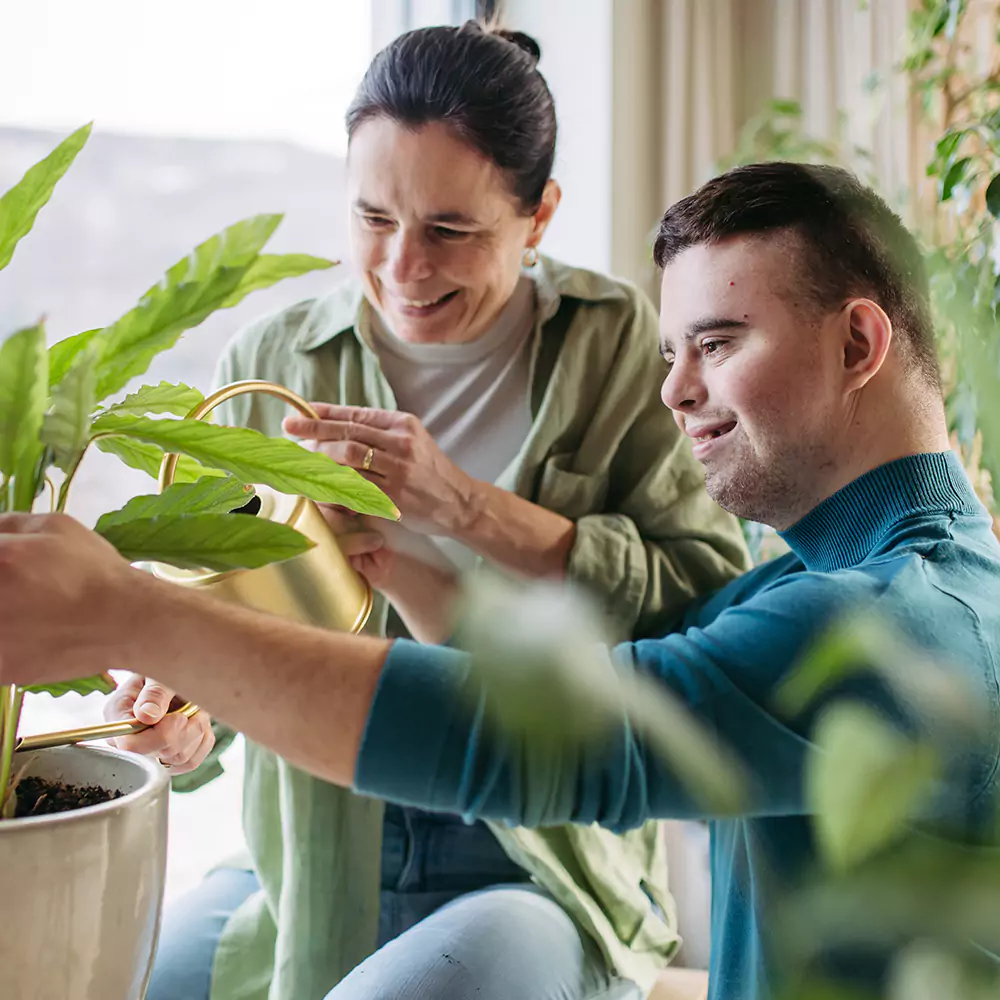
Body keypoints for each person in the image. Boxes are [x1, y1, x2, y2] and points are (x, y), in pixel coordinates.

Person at [5, 162, 999, 1000]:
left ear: (859, 343)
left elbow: (551, 738)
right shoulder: (861, 579)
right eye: (670, 351)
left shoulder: (886, 621)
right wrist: (398, 565)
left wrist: (133, 613)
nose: (674, 389)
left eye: (717, 341)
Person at [88, 21, 750, 1000]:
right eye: (371, 218)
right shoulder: (270, 369)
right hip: (313, 851)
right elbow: (217, 631)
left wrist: (467, 506)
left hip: (531, 854)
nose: (403, 266)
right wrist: (183, 718)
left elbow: (708, 606)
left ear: (538, 216)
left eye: (449, 230)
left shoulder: (619, 350)